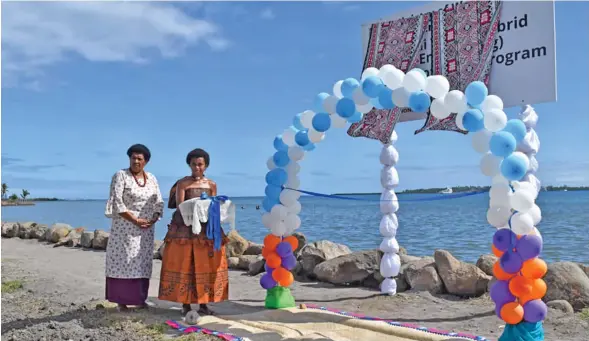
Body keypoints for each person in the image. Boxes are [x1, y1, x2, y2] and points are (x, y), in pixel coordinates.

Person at [158, 148, 229, 316]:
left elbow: (214, 206)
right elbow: (180, 206)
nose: (197, 168)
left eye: (200, 164)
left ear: (206, 166)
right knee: (186, 264)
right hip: (185, 228)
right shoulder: (182, 184)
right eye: (194, 164)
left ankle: (204, 303)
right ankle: (186, 304)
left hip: (206, 229)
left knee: (206, 264)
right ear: (189, 165)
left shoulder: (211, 184)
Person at [104, 144, 164, 311]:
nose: (136, 161)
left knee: (142, 262)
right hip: (125, 227)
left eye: (139, 159)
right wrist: (135, 220)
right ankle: (121, 301)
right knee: (124, 262)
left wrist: (154, 218)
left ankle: (140, 299)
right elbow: (117, 201)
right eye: (133, 158)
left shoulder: (152, 178)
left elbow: (158, 200)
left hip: (146, 229)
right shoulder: (121, 176)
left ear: (146, 161)